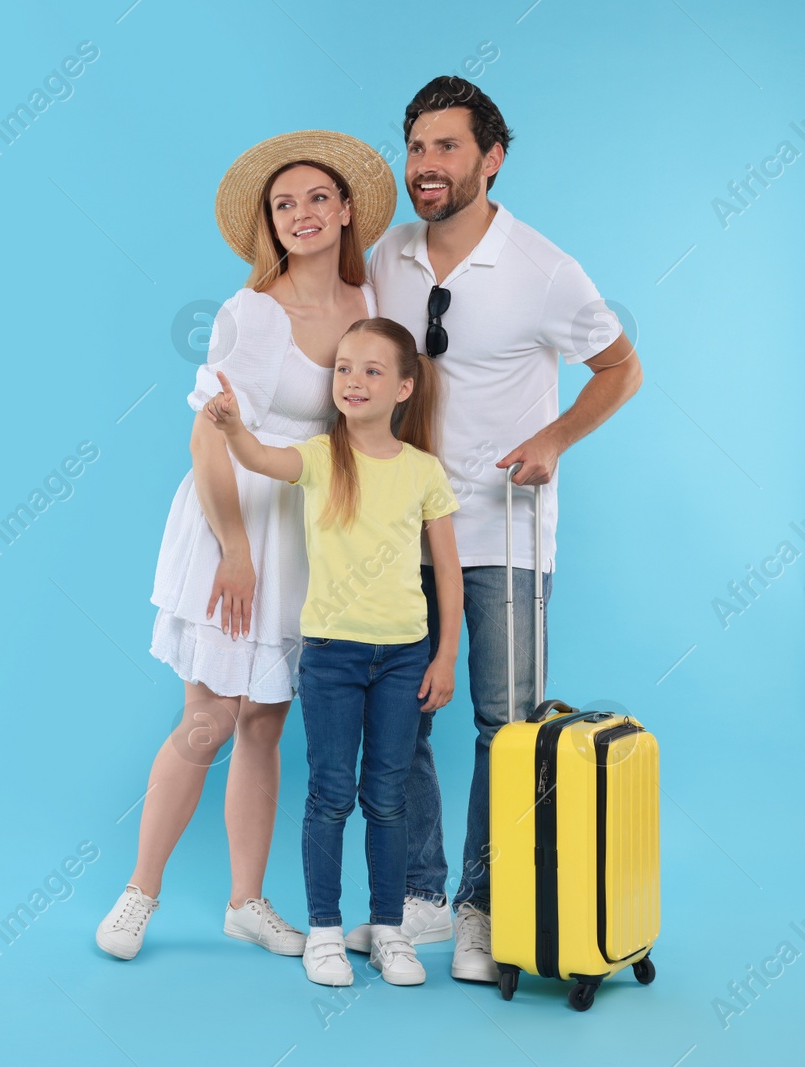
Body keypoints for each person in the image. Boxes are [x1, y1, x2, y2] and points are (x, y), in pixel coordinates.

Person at [350, 76, 644, 981]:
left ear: (491, 157)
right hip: (407, 532)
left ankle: (486, 903)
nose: (426, 166)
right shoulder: (387, 257)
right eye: (416, 147)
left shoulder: (545, 268)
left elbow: (621, 368)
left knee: (503, 723)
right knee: (400, 710)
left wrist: (554, 437)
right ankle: (426, 896)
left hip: (506, 529)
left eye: (447, 147)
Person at [95, 132, 396, 961]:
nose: (301, 214)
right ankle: (138, 895)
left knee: (264, 721)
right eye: (284, 204)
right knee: (206, 719)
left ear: (344, 211)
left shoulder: (369, 302)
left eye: (315, 199)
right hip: (234, 520)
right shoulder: (252, 312)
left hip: (304, 530)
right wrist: (234, 548)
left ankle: (245, 901)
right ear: (270, 222)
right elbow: (207, 438)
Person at [204, 317, 464, 986]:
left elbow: (449, 572)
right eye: (344, 367)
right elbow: (264, 459)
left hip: (405, 656)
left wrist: (445, 656)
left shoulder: (423, 472)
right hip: (331, 658)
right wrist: (233, 429)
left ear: (405, 386)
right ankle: (324, 929)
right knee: (330, 794)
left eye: (372, 370)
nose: (353, 380)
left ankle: (388, 931)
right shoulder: (321, 457)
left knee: (386, 797)